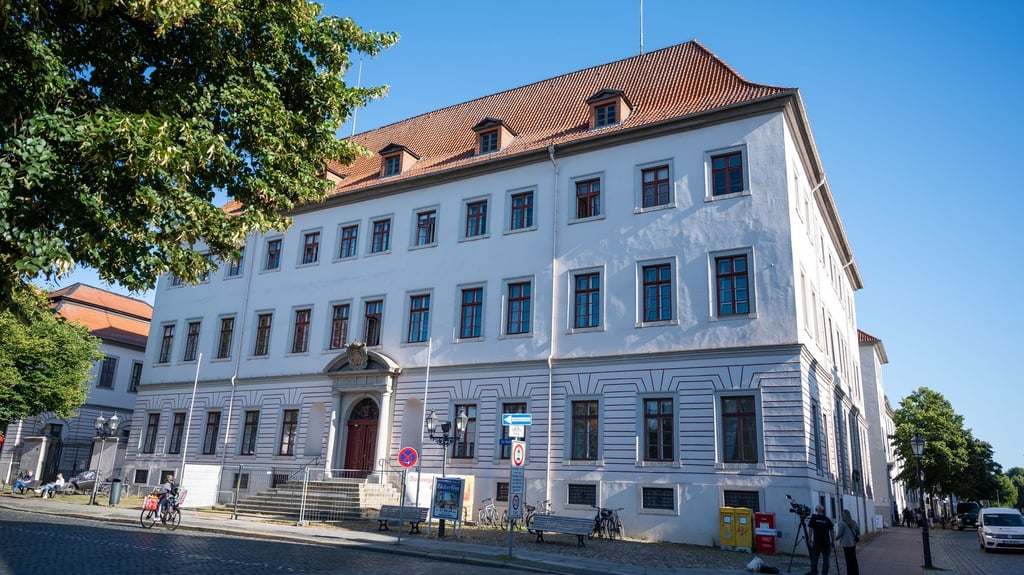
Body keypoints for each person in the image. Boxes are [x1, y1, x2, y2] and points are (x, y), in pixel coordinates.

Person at [806, 504, 834, 575]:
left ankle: (814, 572)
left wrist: (809, 539)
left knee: (815, 558)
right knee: (826, 560)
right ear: (822, 511)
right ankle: (824, 573)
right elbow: (832, 531)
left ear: (817, 510)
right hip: (826, 542)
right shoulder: (827, 519)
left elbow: (810, 529)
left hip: (817, 542)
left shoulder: (814, 518)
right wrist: (833, 541)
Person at [835, 509, 860, 575]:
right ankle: (856, 573)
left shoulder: (842, 523)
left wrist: (834, 539)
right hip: (853, 544)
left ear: (843, 515)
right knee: (854, 559)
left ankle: (850, 573)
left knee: (848, 560)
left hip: (846, 544)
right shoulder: (853, 522)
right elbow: (858, 531)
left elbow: (840, 534)